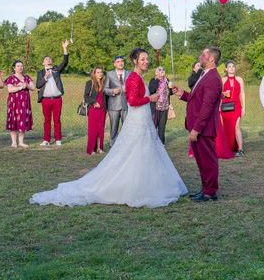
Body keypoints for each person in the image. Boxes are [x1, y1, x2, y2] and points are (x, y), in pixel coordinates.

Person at [30, 48, 187, 207]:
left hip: (143, 121)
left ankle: (147, 184)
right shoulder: (133, 78)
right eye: (143, 59)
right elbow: (132, 101)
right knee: (137, 152)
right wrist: (150, 98)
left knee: (145, 152)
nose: (146, 61)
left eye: (147, 59)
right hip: (138, 123)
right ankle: (133, 187)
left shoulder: (138, 77)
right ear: (135, 61)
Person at [172, 47, 223, 202]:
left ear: (212, 59)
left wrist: (196, 129)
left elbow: (207, 107)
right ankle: (205, 188)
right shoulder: (203, 74)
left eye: (204, 54)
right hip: (197, 126)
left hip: (204, 128)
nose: (201, 55)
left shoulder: (213, 78)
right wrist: (182, 94)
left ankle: (210, 192)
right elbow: (197, 99)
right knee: (201, 160)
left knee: (208, 160)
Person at [36, 41, 70, 147]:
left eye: (49, 59)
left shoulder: (56, 70)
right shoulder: (40, 73)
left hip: (57, 99)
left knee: (57, 120)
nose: (48, 60)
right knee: (47, 120)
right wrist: (45, 77)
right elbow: (38, 85)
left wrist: (65, 49)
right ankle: (46, 139)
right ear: (43, 63)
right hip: (45, 100)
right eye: (46, 59)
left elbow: (64, 62)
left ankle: (57, 139)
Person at [5, 60, 35, 148]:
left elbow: (33, 87)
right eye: (18, 66)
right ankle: (14, 142)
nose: (20, 67)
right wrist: (20, 87)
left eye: (21, 66)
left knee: (22, 120)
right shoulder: (11, 78)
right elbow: (10, 89)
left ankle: (21, 142)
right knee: (13, 120)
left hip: (24, 103)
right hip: (14, 103)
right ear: (14, 68)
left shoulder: (27, 77)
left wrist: (26, 85)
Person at [219, 60, 245, 156]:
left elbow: (242, 93)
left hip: (237, 106)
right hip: (225, 106)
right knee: (226, 127)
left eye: (233, 66)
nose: (231, 68)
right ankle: (228, 147)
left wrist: (243, 107)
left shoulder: (240, 79)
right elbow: (218, 93)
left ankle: (240, 149)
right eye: (229, 66)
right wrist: (223, 94)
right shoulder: (222, 80)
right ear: (226, 69)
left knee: (237, 126)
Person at [104, 55, 130, 146]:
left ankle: (125, 144)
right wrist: (112, 91)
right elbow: (105, 89)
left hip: (126, 104)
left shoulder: (129, 73)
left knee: (126, 126)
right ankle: (113, 144)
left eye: (122, 61)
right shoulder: (109, 74)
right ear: (114, 64)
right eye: (118, 61)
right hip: (113, 105)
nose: (120, 63)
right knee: (114, 127)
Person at [84, 67, 106, 155]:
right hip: (94, 109)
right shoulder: (90, 83)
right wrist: (94, 102)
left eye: (101, 72)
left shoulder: (104, 83)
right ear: (94, 73)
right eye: (98, 72)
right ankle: (91, 149)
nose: (100, 74)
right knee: (93, 129)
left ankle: (99, 148)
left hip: (102, 110)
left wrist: (106, 108)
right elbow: (86, 96)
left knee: (101, 129)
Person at [148, 66, 173, 145]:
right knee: (154, 125)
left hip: (165, 106)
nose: (162, 71)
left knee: (162, 126)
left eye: (163, 69)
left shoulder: (167, 80)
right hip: (155, 107)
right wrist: (158, 79)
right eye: (160, 70)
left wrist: (172, 89)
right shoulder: (153, 80)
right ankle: (152, 143)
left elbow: (170, 92)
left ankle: (161, 143)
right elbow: (151, 90)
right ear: (156, 73)